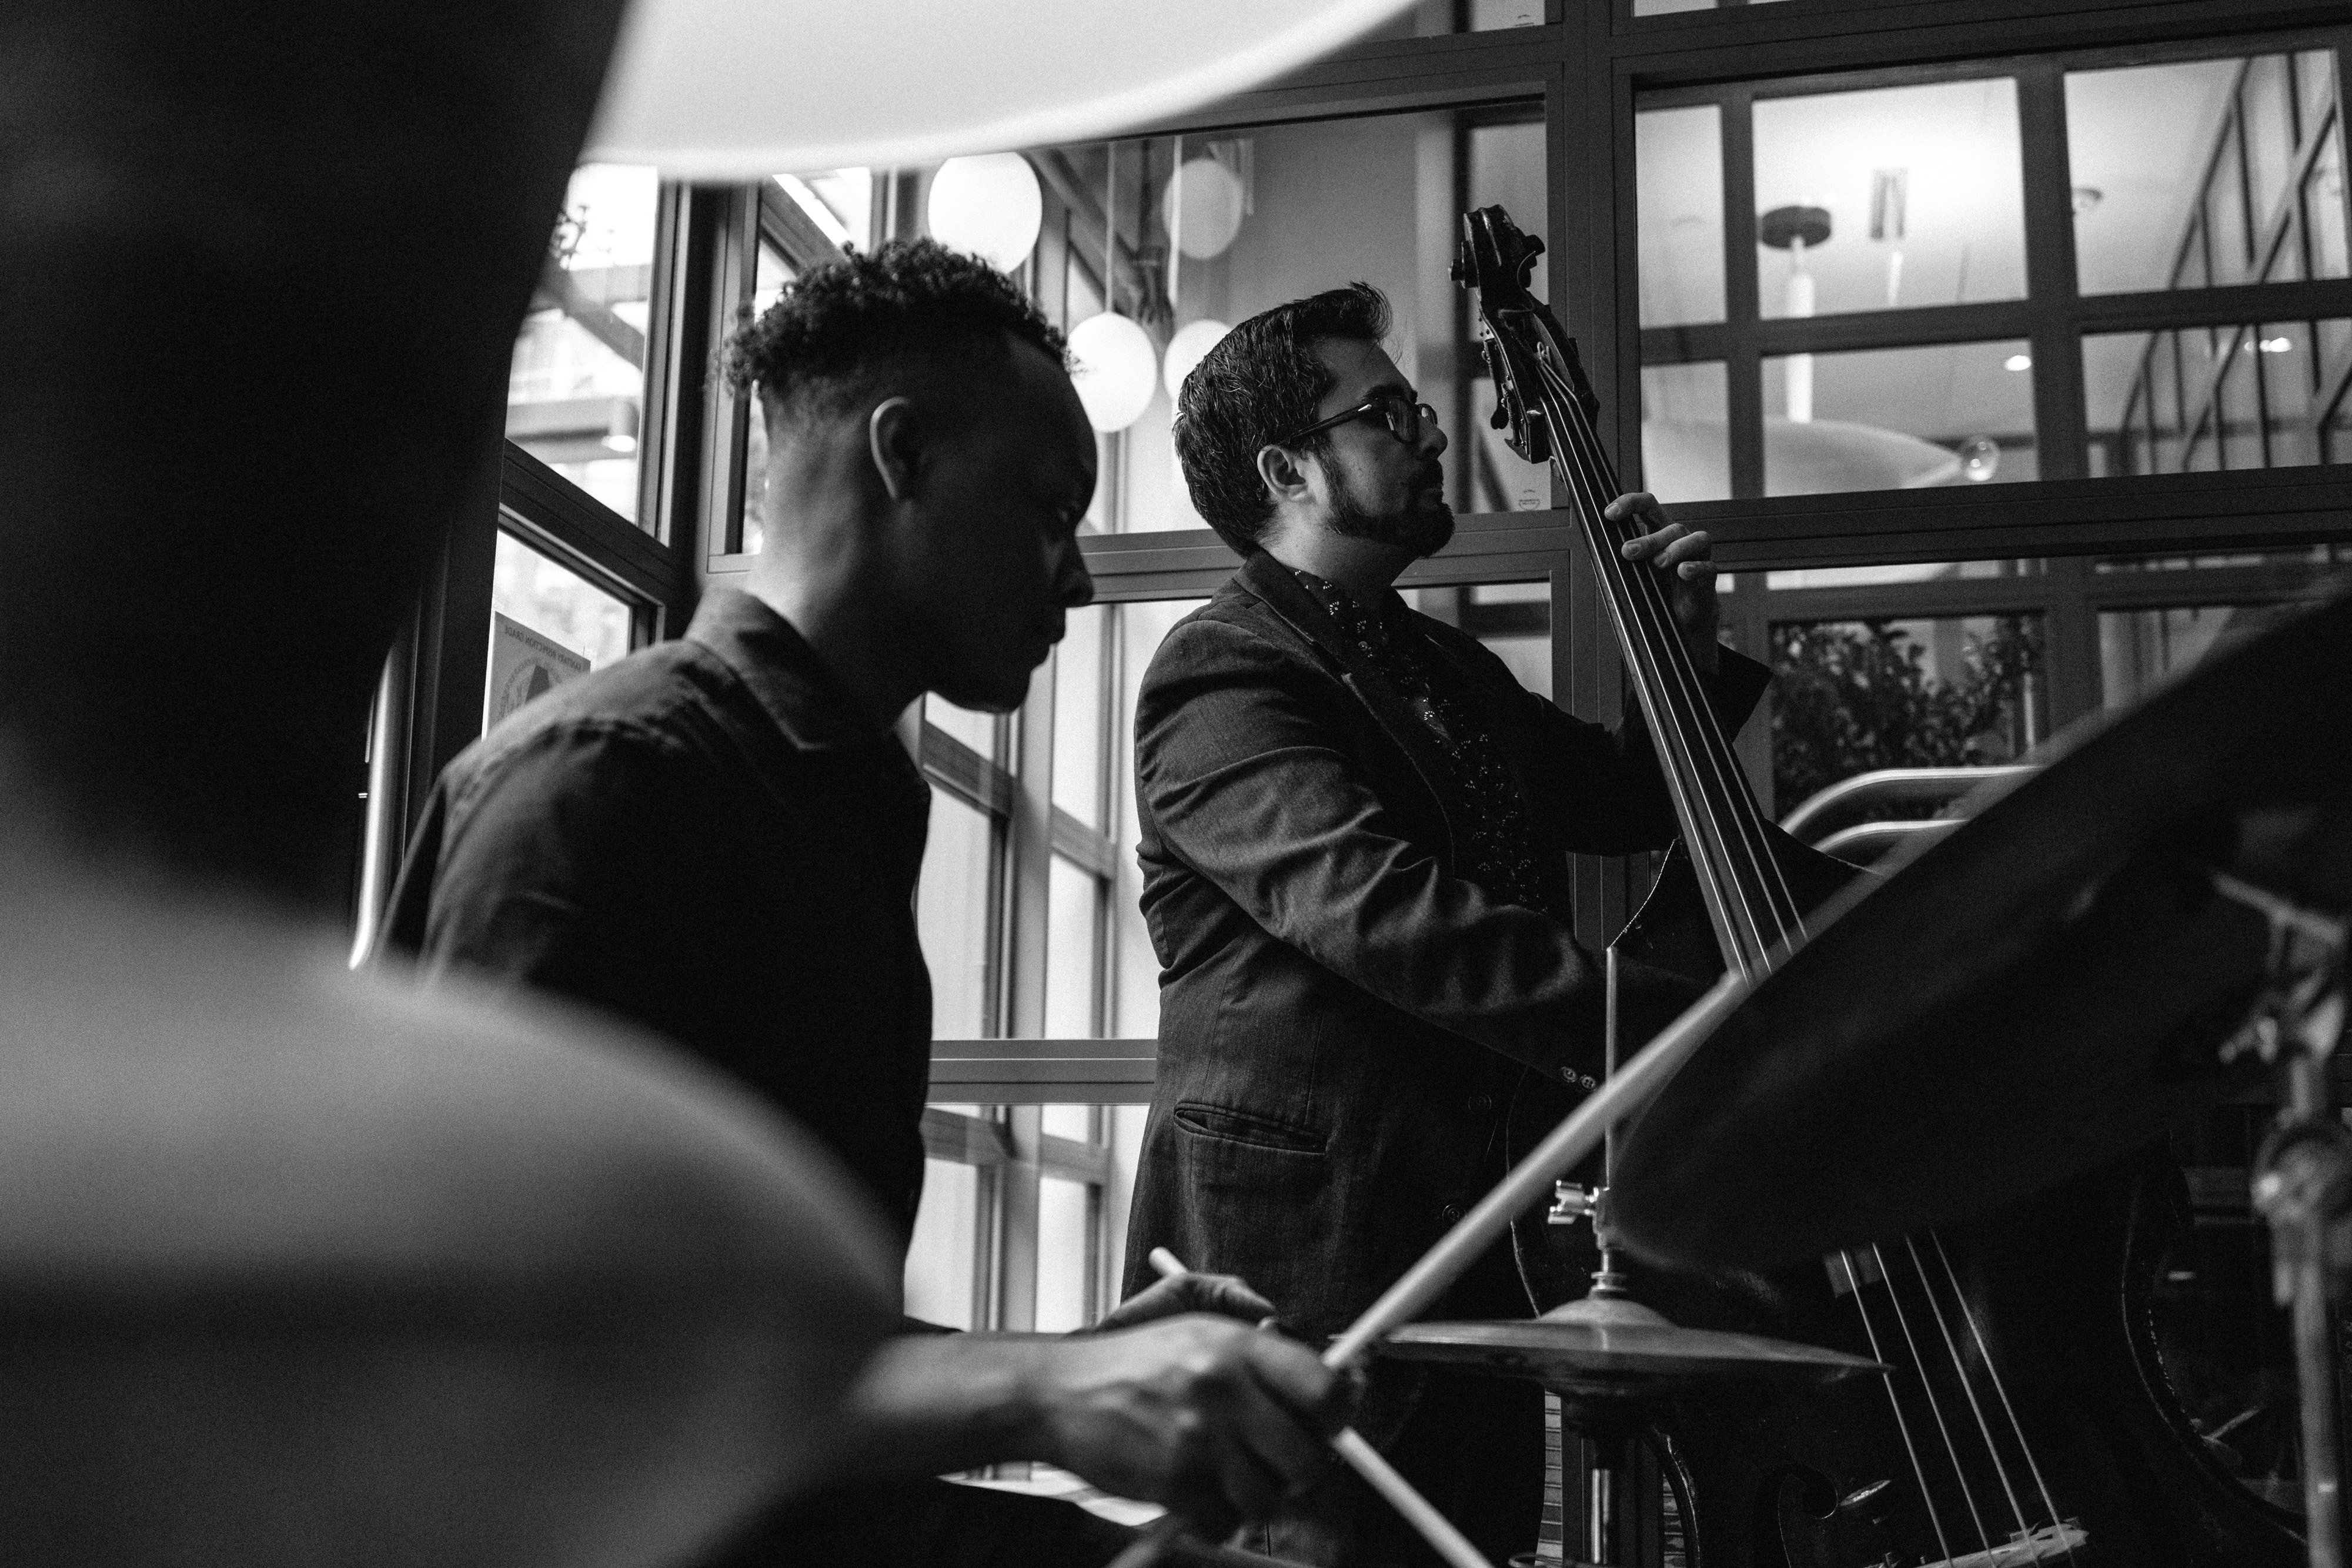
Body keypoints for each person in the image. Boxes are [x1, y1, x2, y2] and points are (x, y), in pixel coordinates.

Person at [377, 242, 1348, 1566]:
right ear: (902, 456)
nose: (1074, 577)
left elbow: (750, 1343)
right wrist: (1031, 1394)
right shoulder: (610, 785)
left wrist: (1062, 1362)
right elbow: (498, 1365)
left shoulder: (834, 795)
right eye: (1050, 509)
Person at [1120, 283, 1770, 1566]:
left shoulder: (1441, 668)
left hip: (1473, 1232)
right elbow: (1384, 916)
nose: (1427, 431)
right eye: (1387, 411)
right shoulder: (1220, 671)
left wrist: (1685, 655)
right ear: (1287, 468)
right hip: (1301, 1265)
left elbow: (1626, 799)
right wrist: (1674, 1026)